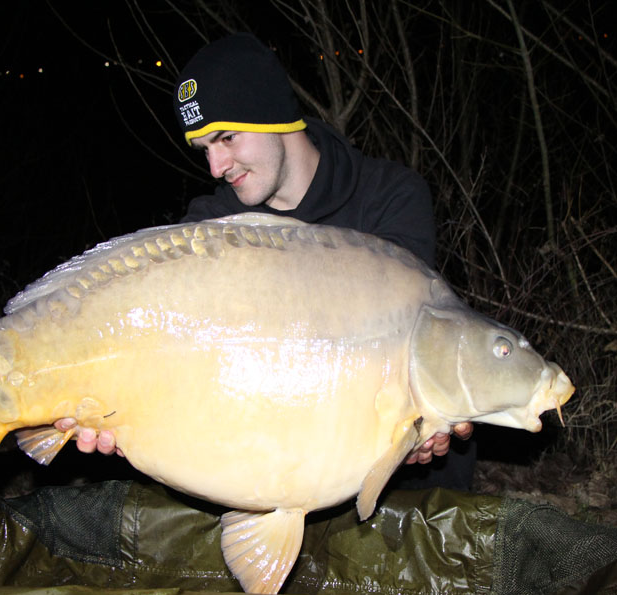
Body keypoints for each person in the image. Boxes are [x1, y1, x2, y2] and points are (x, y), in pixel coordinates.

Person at [56, 32, 474, 489]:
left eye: (227, 138)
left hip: (393, 491)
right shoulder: (210, 230)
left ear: (274, 116)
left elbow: (408, 360)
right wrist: (119, 411)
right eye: (205, 149)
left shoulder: (390, 197)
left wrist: (418, 425)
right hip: (268, 463)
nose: (217, 167)